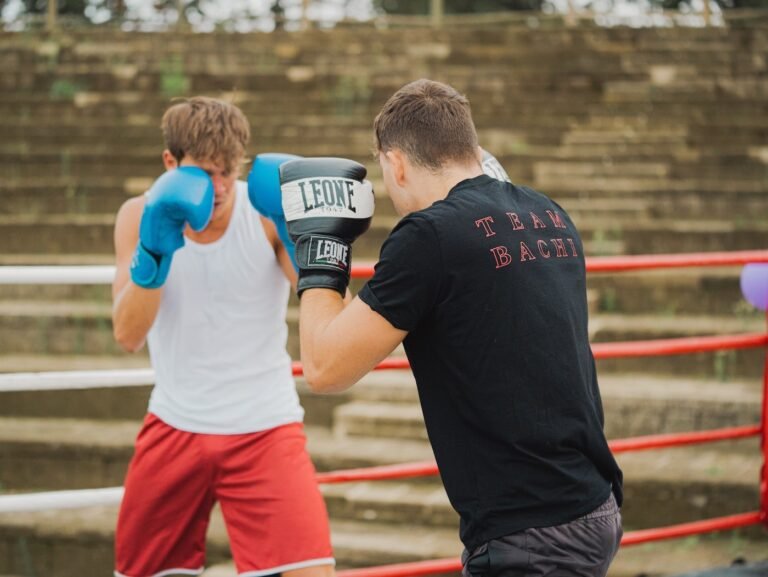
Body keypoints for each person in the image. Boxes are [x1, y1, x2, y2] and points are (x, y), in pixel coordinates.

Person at [278, 79, 623, 577]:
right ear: (471, 148)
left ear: (396, 164)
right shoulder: (549, 214)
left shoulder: (429, 236)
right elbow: (356, 333)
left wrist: (320, 254)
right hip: (591, 503)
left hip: (531, 533)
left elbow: (325, 368)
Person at [111, 96, 334, 577]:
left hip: (265, 426)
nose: (217, 188)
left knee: (313, 571)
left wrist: (308, 238)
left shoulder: (265, 213)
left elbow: (331, 318)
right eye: (204, 173)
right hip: (175, 421)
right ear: (170, 163)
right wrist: (156, 249)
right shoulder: (138, 214)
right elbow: (127, 334)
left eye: (227, 173)